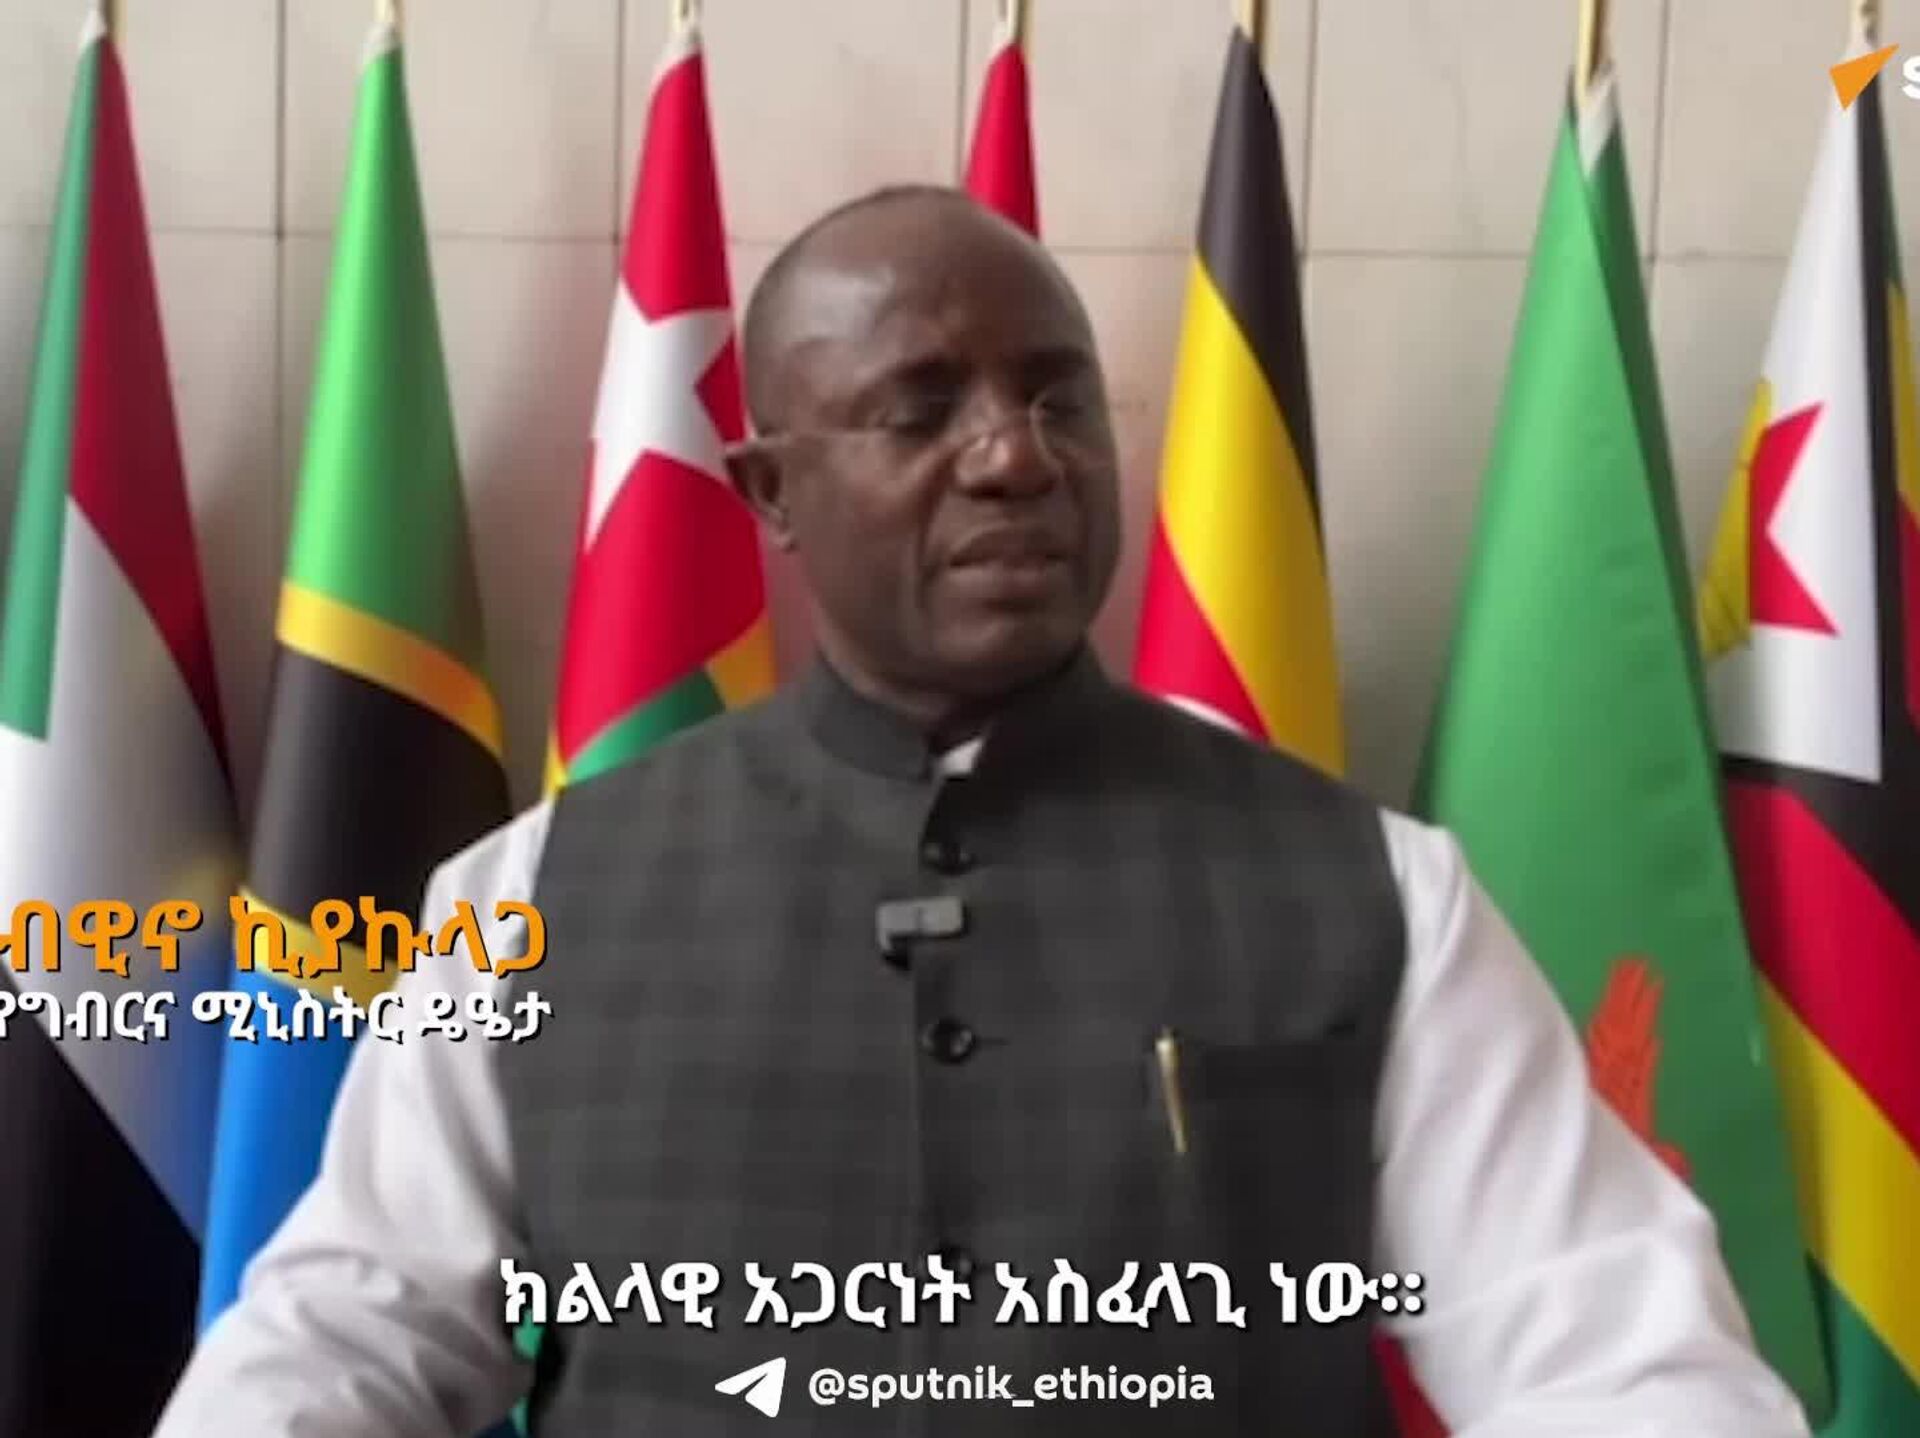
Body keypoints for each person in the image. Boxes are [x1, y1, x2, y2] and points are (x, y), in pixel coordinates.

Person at [154, 186, 1810, 1436]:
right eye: (921, 406)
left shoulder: (1376, 893)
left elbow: (1614, 1352)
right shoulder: (528, 900)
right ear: (772, 491)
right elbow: (351, 1331)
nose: (1017, 458)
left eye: (1059, 397)